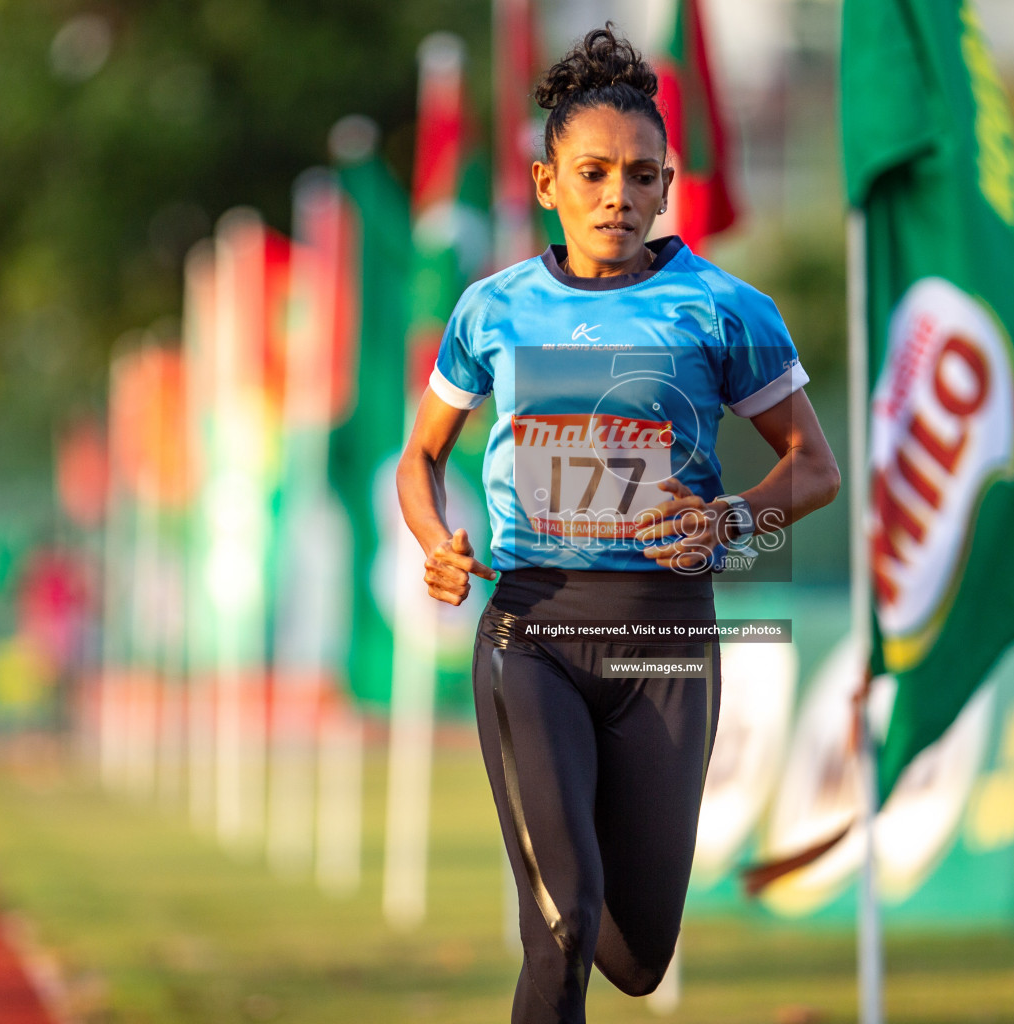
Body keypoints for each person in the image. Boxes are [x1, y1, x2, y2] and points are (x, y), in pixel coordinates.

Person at [396, 25, 839, 1024]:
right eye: (592, 174)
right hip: (534, 631)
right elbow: (418, 457)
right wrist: (437, 544)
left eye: (641, 176)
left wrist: (729, 517)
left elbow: (814, 468)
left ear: (669, 184)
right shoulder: (492, 310)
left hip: (671, 644)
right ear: (547, 180)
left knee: (634, 954)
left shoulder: (727, 310)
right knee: (562, 921)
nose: (617, 197)